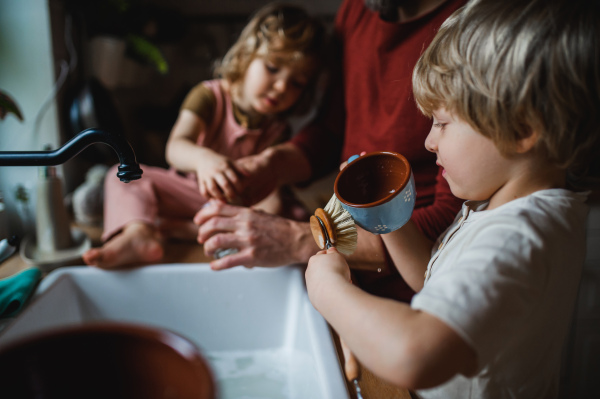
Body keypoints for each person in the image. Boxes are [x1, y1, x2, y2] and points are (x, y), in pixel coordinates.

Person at [305, 0, 600, 397]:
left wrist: (329, 291)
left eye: (442, 123)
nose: (429, 142)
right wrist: (387, 217)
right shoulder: (497, 206)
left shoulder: (519, 235)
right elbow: (433, 278)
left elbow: (414, 354)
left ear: (521, 129)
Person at [194, 0, 466, 302]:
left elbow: (447, 227)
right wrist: (272, 164)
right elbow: (332, 130)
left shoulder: (467, 24)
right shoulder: (357, 9)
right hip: (343, 254)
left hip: (405, 280)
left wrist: (298, 239)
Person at [82, 3, 327, 269]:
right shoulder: (209, 96)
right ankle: (138, 236)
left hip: (233, 204)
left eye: (297, 83)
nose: (281, 87)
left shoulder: (279, 129)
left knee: (293, 212)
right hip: (187, 189)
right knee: (122, 176)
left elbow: (269, 191)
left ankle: (186, 230)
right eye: (272, 67)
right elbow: (175, 147)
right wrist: (205, 161)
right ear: (246, 55)